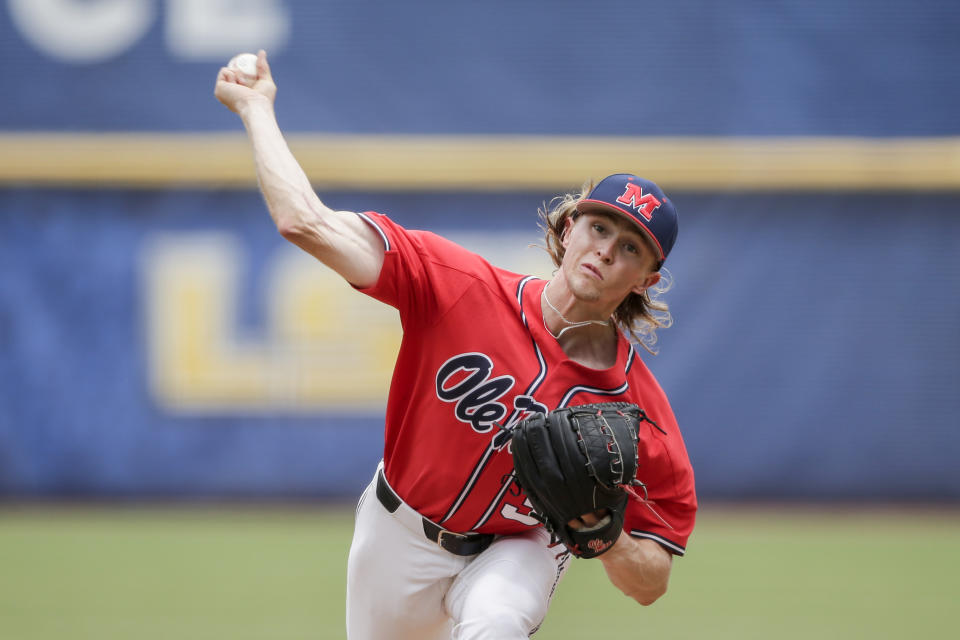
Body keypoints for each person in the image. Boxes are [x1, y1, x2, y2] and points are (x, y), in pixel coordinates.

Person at [215, 51, 697, 640]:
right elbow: (302, 222)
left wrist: (603, 533)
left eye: (630, 248)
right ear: (570, 228)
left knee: (494, 623)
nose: (605, 250)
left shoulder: (635, 406)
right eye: (600, 228)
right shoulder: (456, 287)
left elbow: (651, 582)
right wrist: (255, 107)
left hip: (522, 549)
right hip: (396, 534)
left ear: (647, 279)